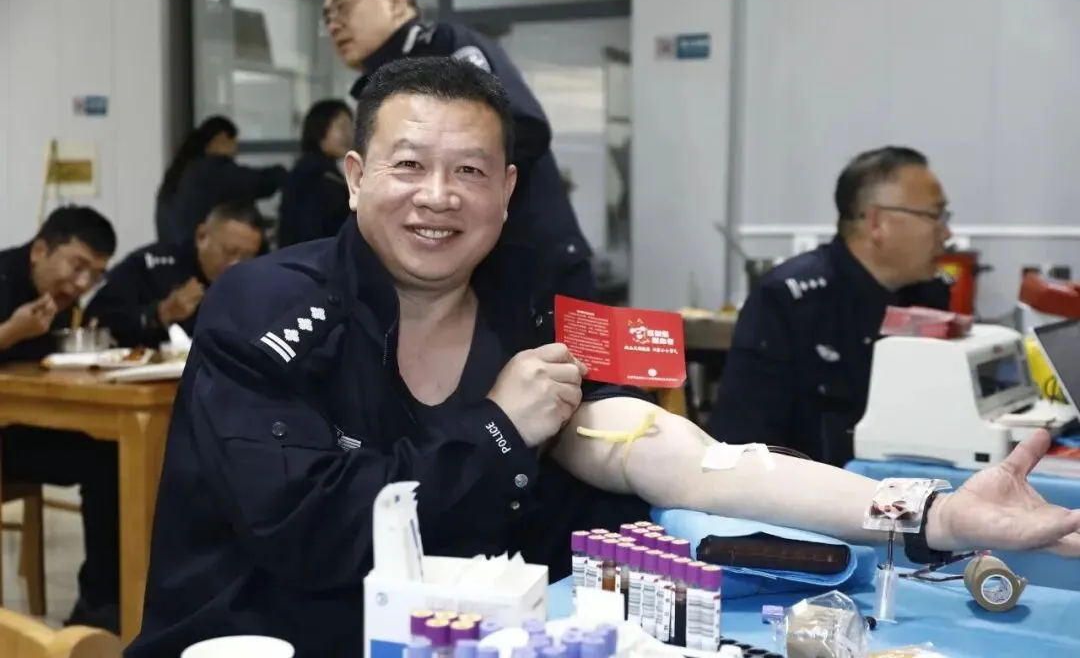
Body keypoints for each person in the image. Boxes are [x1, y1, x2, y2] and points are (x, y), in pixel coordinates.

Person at [127, 59, 1080, 658]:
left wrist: (935, 514)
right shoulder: (265, 307)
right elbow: (310, 534)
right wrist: (499, 428)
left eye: (469, 171)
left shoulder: (531, 309)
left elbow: (681, 459)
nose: (438, 196)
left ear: (507, 192)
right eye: (408, 164)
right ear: (354, 176)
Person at [323, 0, 597, 301]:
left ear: (394, 1)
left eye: (343, 7)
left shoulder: (445, 45)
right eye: (327, 17)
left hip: (530, 264)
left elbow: (525, 127)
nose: (333, 24)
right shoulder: (377, 84)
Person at [707, 146, 955, 467]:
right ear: (877, 222)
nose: (946, 233)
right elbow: (743, 442)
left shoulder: (928, 295)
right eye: (934, 216)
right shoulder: (789, 301)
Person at [0, 206, 121, 631]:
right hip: (8, 435)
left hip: (30, 425)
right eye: (77, 266)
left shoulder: (63, 302)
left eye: (95, 274)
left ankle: (104, 603)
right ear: (39, 251)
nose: (83, 283)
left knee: (114, 454)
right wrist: (11, 332)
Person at [85, 201, 265, 348]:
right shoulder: (152, 265)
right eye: (229, 252)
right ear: (202, 236)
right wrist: (160, 314)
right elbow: (95, 321)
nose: (236, 265)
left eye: (247, 257)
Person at [158, 115, 285, 246]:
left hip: (176, 251)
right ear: (222, 138)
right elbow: (257, 182)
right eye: (234, 143)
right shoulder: (212, 169)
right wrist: (283, 174)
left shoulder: (181, 172)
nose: (236, 153)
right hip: (200, 252)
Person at [276, 99, 353, 247]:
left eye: (350, 128)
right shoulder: (312, 176)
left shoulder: (318, 170)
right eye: (342, 128)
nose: (348, 135)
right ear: (320, 128)